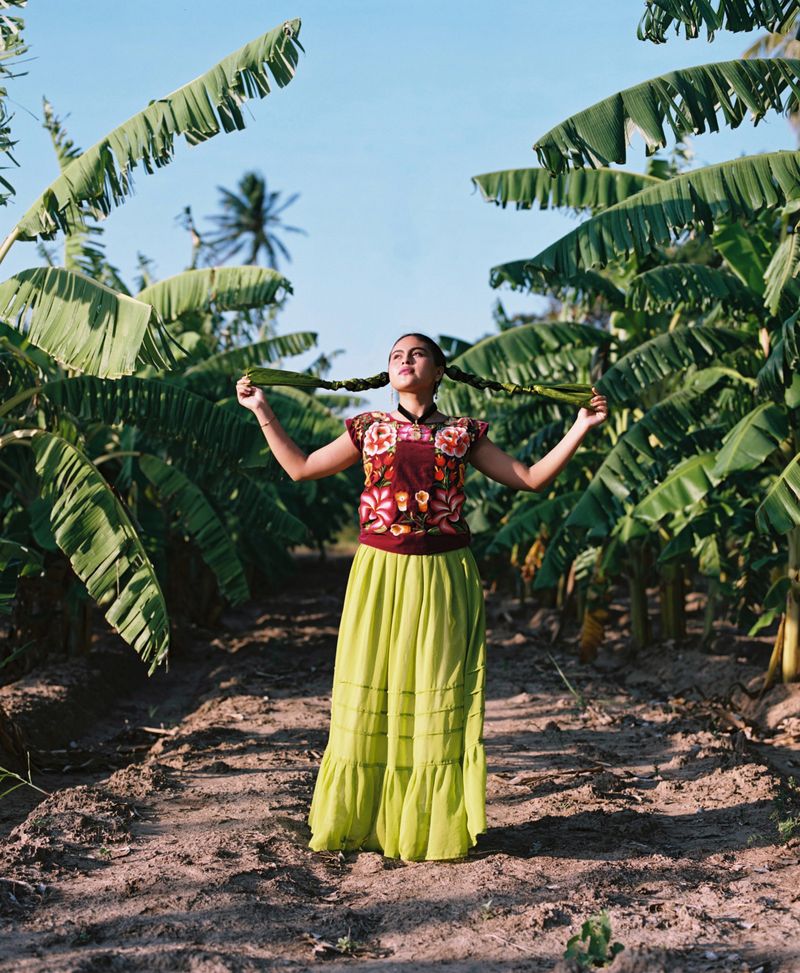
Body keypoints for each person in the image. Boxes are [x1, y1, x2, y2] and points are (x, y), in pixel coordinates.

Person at [236, 332, 608, 862]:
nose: (404, 361)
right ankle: (358, 820)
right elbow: (300, 468)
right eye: (394, 355)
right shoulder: (368, 429)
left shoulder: (462, 433)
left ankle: (428, 826)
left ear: (439, 370)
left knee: (435, 691)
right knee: (372, 694)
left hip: (444, 574)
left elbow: (528, 479)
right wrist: (261, 410)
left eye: (416, 354)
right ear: (388, 373)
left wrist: (580, 427)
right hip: (378, 574)